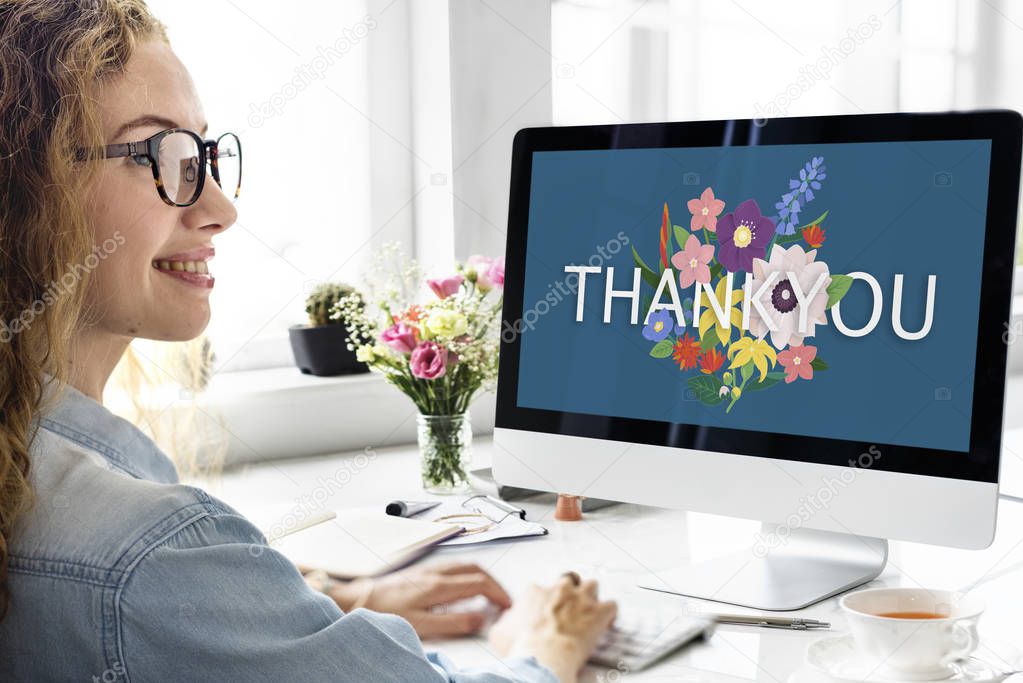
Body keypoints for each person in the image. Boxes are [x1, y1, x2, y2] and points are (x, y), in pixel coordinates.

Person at [0, 2, 617, 681]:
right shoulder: (148, 551)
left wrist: (322, 599)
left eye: (204, 153)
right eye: (164, 154)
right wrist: (546, 648)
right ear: (27, 190)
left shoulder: (39, 474)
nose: (220, 209)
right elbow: (145, 581)